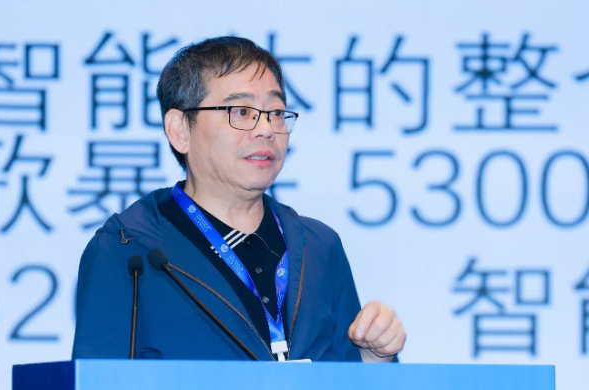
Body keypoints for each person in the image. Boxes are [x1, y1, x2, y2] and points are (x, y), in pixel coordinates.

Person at [72, 36, 406, 362]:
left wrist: (372, 357)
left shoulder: (320, 246)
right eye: (242, 111)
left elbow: (352, 389)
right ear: (180, 130)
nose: (266, 129)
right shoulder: (130, 249)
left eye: (276, 112)